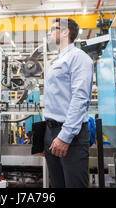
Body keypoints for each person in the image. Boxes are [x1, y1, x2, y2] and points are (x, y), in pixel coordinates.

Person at [43, 18, 94, 188]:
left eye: (53, 29)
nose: (49, 32)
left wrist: (65, 137)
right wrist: (46, 137)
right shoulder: (56, 61)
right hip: (51, 133)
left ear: (66, 32)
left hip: (70, 134)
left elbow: (80, 99)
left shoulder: (79, 58)